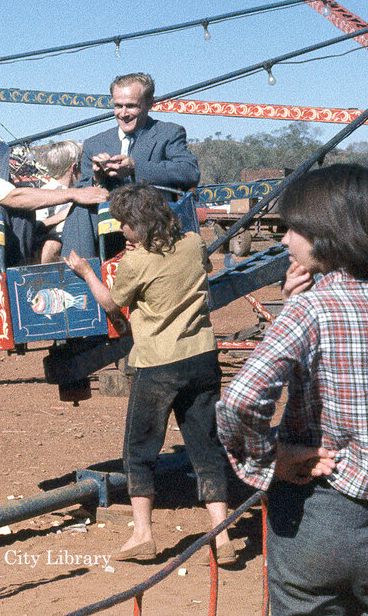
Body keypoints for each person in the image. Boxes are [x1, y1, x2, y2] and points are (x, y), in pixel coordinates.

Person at [216, 164, 368, 614]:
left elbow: (239, 401)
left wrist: (270, 456)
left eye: (294, 228)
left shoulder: (312, 309)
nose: (286, 239)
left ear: (327, 233)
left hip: (323, 512)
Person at [66, 184, 233, 565]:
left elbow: (112, 302)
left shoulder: (135, 263)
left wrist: (86, 272)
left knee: (140, 450)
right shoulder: (192, 241)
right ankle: (222, 535)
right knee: (205, 446)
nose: (121, 231)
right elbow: (194, 271)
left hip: (159, 363)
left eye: (124, 224)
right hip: (203, 357)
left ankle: (143, 535)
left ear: (137, 224)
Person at [0, 106, 107, 268]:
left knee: (28, 220)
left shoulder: (0, 149)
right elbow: (16, 197)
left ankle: (20, 270)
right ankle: (15, 275)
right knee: (9, 210)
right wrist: (75, 194)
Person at [61, 73, 199, 259]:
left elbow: (189, 171)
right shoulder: (95, 144)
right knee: (80, 208)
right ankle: (78, 274)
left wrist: (135, 168)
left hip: (151, 219)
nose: (123, 113)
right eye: (118, 106)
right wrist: (97, 179)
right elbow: (83, 191)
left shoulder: (168, 134)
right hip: (109, 222)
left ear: (150, 103)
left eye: (131, 106)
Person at [35, 140, 82, 263]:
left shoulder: (81, 190)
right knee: (52, 245)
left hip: (77, 238)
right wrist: (66, 214)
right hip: (57, 241)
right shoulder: (46, 192)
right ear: (74, 167)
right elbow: (38, 226)